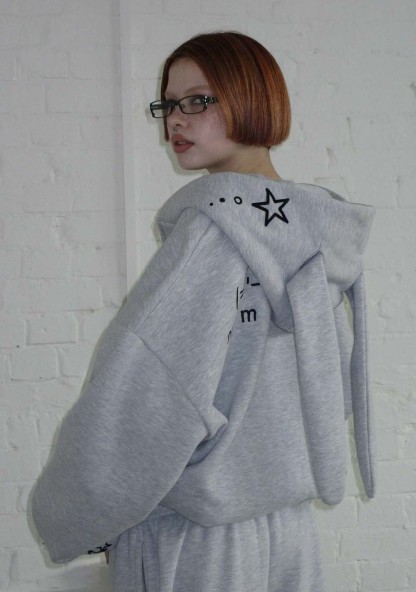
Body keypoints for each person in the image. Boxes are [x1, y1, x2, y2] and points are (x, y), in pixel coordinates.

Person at [31, 32, 376, 591]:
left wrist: (80, 513)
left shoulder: (209, 238)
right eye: (169, 103)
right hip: (289, 533)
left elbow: (144, 396)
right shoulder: (317, 238)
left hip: (195, 541)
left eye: (197, 100)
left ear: (251, 97)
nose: (175, 119)